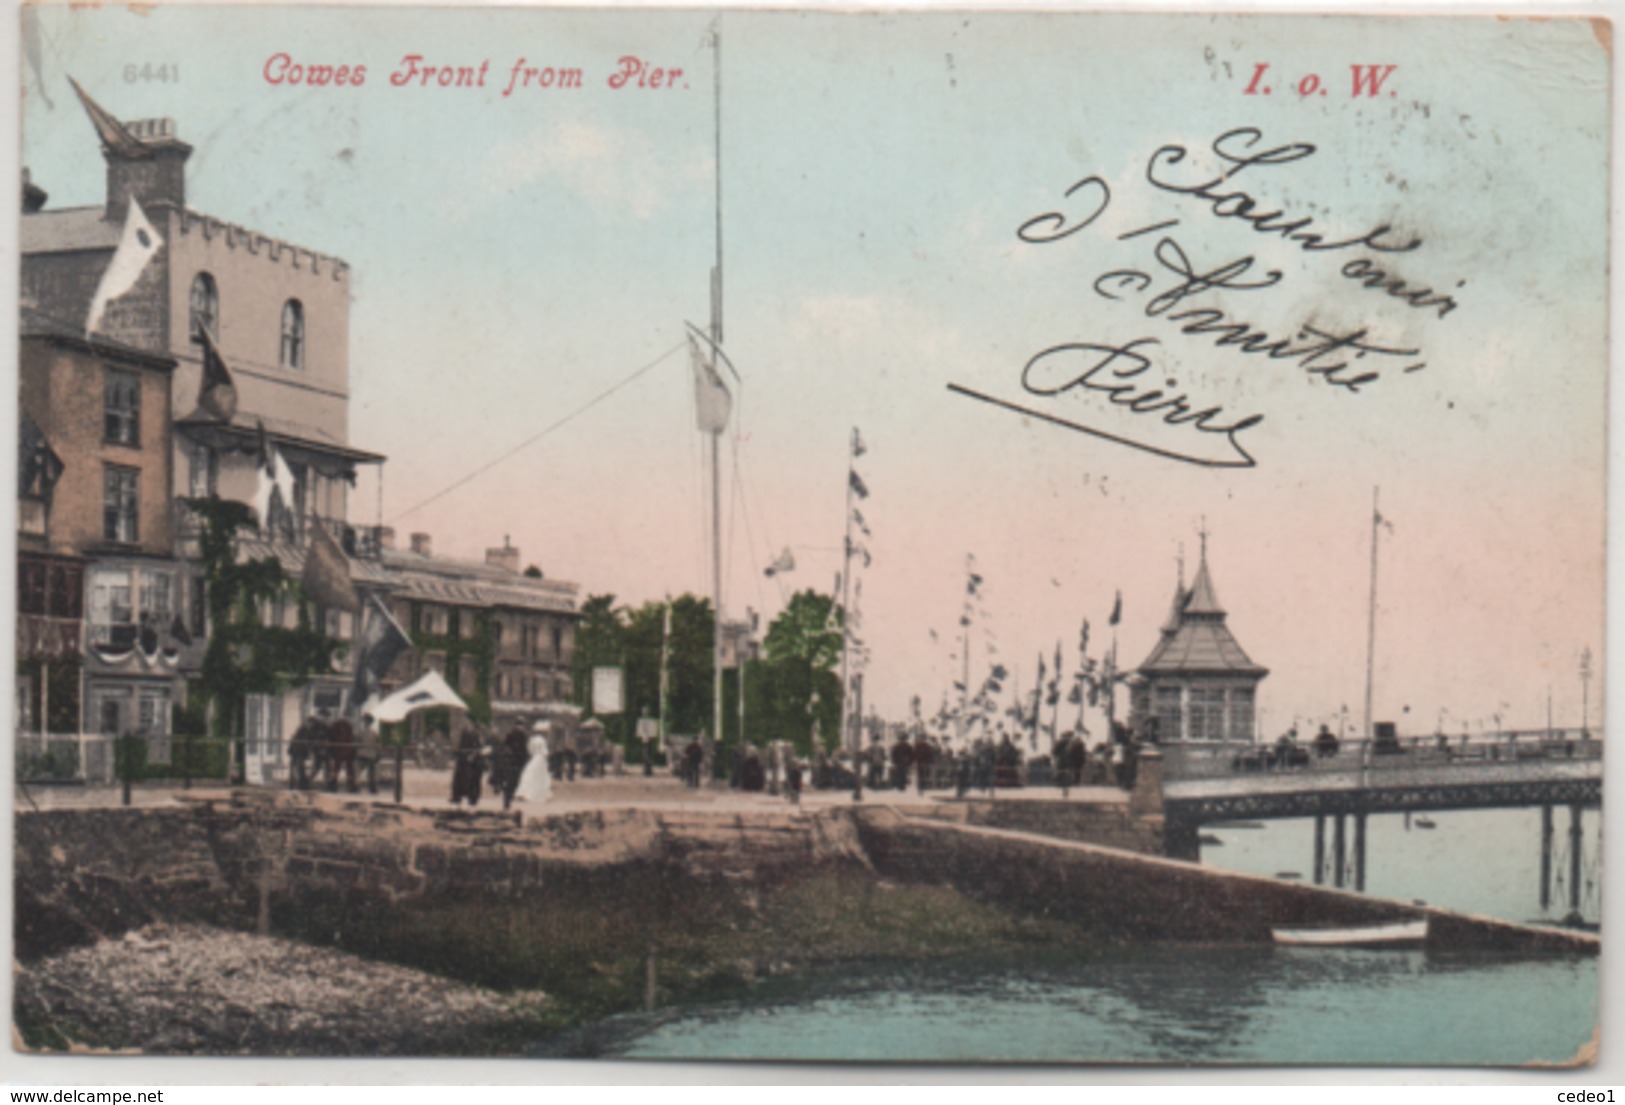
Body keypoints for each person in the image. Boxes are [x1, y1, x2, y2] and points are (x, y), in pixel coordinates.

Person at [514, 721, 552, 804]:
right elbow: (545, 751)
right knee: (541, 776)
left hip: (534, 758)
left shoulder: (532, 739)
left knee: (529, 774)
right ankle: (538, 794)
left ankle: (523, 792)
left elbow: (530, 751)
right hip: (541, 758)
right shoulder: (542, 740)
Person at [451, 726, 486, 806]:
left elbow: (479, 747)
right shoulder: (469, 732)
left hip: (472, 761)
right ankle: (460, 797)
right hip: (467, 760)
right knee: (463, 779)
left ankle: (469, 798)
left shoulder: (475, 733)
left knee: (471, 780)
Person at [327, 715, 357, 793]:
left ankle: (334, 783)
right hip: (347, 749)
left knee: (337, 768)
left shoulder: (335, 725)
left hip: (339, 749)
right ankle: (350, 784)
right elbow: (351, 738)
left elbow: (332, 737)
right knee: (349, 768)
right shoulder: (348, 726)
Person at [355, 713, 381, 795]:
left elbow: (356, 742)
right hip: (371, 754)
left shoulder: (360, 732)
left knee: (358, 771)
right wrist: (378, 753)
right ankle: (372, 788)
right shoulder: (374, 733)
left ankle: (356, 786)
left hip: (361, 753)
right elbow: (377, 744)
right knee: (372, 773)